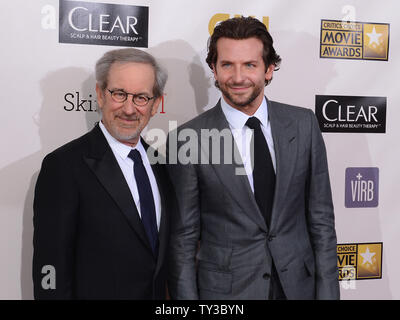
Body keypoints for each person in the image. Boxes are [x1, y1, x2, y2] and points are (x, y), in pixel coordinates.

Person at [167, 16, 339, 300]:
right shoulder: (190, 138)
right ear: (214, 69)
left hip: (298, 288)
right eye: (227, 65)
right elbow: (183, 241)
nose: (237, 77)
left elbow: (322, 222)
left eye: (250, 65)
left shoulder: (303, 124)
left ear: (269, 69)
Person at [33, 48, 173, 299]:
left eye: (141, 97)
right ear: (100, 94)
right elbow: (50, 267)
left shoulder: (162, 167)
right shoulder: (64, 167)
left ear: (155, 105)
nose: (129, 109)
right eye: (119, 94)